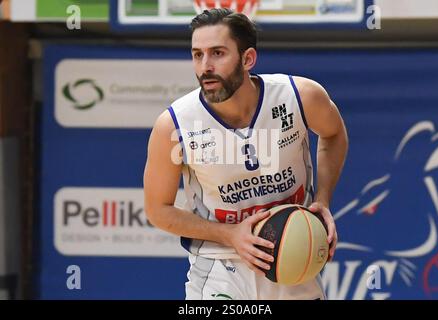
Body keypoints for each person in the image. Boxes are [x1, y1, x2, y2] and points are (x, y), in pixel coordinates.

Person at [143, 8, 348, 300]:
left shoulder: (299, 97)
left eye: (217, 53)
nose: (205, 67)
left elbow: (333, 133)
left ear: (248, 58)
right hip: (220, 271)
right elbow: (157, 210)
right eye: (197, 55)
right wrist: (230, 234)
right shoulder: (174, 125)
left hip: (295, 262)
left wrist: (323, 200)